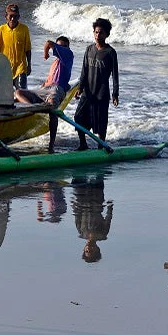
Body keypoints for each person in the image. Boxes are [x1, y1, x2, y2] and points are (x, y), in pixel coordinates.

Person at [15, 36, 74, 153]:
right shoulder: (55, 63)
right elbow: (49, 80)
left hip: (56, 89)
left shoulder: (68, 55)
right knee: (18, 93)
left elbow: (48, 43)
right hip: (45, 89)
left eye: (64, 46)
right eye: (59, 46)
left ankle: (51, 145)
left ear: (67, 48)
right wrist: (43, 86)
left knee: (52, 107)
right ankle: (32, 108)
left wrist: (45, 53)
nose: (61, 48)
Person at [74, 18, 119, 150]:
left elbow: (115, 75)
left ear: (106, 35)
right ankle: (83, 143)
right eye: (96, 32)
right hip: (88, 92)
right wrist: (80, 88)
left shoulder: (110, 53)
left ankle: (101, 146)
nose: (98, 35)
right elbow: (84, 70)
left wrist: (115, 94)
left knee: (101, 123)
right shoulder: (89, 49)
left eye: (101, 33)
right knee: (78, 117)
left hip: (101, 93)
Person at [71, 175, 112, 263]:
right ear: (97, 249)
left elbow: (77, 217)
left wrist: (74, 206)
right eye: (91, 251)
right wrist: (110, 207)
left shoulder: (81, 233)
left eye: (86, 251)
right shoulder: (102, 234)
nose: (88, 249)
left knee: (78, 181)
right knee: (98, 180)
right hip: (97, 202)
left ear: (84, 249)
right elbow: (108, 219)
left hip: (82, 202)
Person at [0, 3, 32, 89]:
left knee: (22, 91)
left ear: (19, 16)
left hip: (21, 67)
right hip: (5, 67)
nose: (13, 19)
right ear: (6, 16)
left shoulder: (24, 29)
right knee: (5, 92)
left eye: (15, 16)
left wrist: (29, 65)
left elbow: (28, 49)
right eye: (11, 16)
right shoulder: (1, 29)